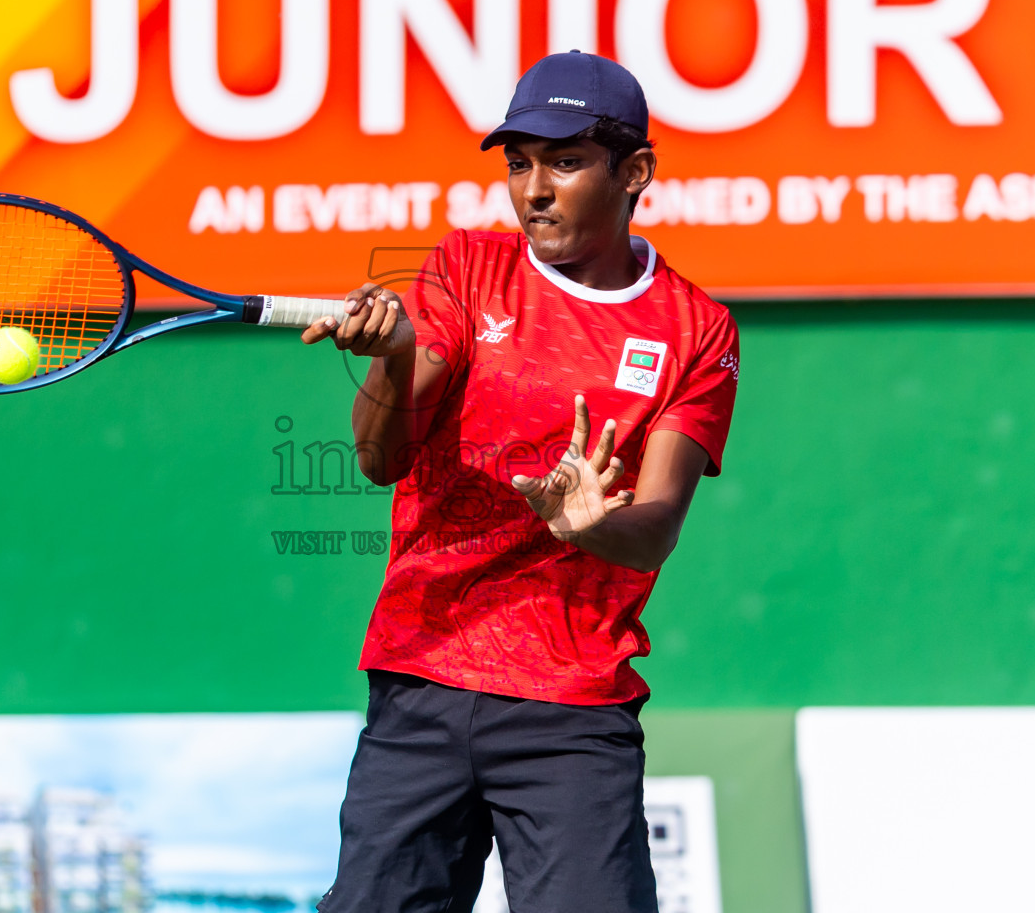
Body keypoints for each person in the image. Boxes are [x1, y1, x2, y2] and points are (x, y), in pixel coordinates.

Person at [301, 50, 740, 913]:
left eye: (566, 161)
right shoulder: (467, 268)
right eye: (518, 163)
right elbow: (380, 458)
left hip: (572, 710)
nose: (533, 188)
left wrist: (588, 526)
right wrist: (391, 360)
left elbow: (654, 526)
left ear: (636, 173)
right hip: (422, 677)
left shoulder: (697, 330)